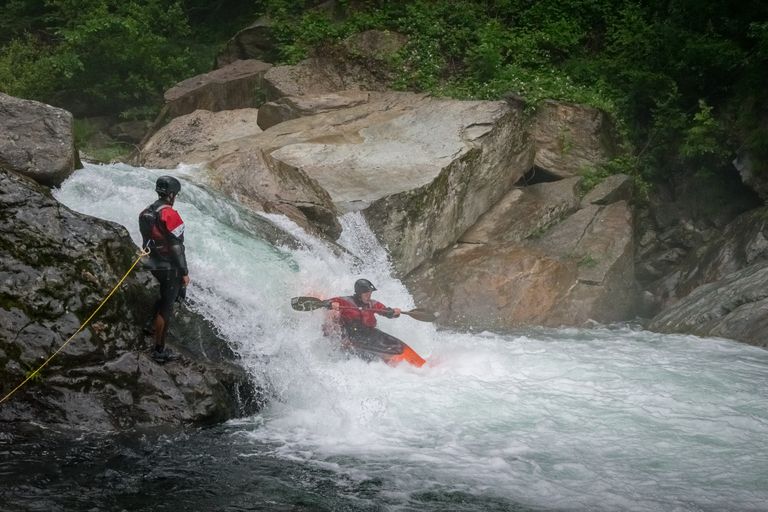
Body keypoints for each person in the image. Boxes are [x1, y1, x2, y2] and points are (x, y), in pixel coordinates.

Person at [139, 175, 189, 363]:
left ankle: (149, 326)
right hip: (169, 267)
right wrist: (184, 272)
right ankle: (159, 350)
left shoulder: (145, 212)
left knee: (161, 298)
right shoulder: (170, 214)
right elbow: (176, 247)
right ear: (171, 194)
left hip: (152, 262)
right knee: (166, 308)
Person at [324, 279, 425, 367]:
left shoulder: (372, 304)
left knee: (396, 344)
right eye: (366, 293)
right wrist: (332, 304)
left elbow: (385, 311)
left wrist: (394, 313)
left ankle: (420, 364)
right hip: (352, 335)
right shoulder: (345, 301)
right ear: (359, 293)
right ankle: (390, 360)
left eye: (370, 293)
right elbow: (327, 302)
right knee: (374, 348)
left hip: (369, 333)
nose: (369, 295)